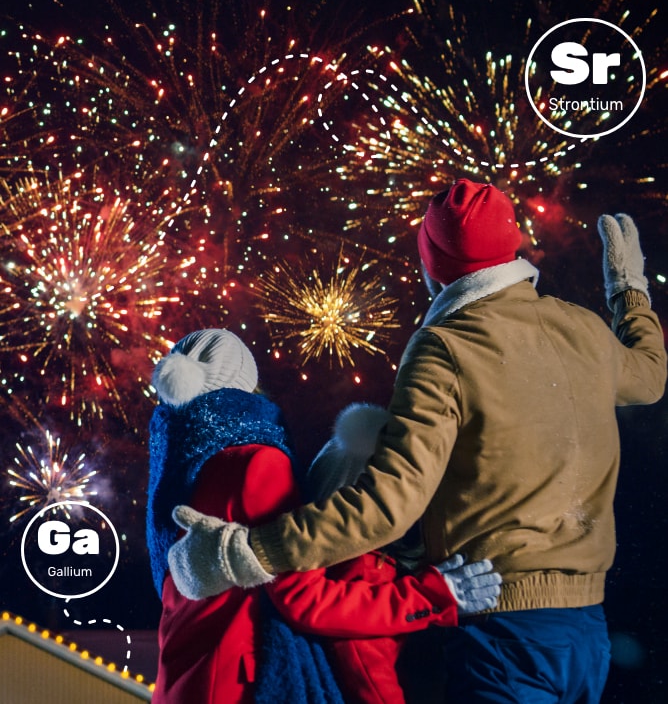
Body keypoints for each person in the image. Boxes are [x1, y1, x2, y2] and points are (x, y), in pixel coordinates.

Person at [167, 179, 666, 703]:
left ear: (433, 264)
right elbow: (650, 377)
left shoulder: (447, 346)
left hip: (502, 628)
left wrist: (246, 553)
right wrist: (629, 292)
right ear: (513, 243)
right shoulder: (582, 328)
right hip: (587, 630)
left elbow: (389, 505)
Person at [147, 328, 501, 703]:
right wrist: (430, 596)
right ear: (245, 383)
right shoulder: (257, 462)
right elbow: (301, 596)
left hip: (182, 681)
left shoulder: (172, 470)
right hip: (239, 684)